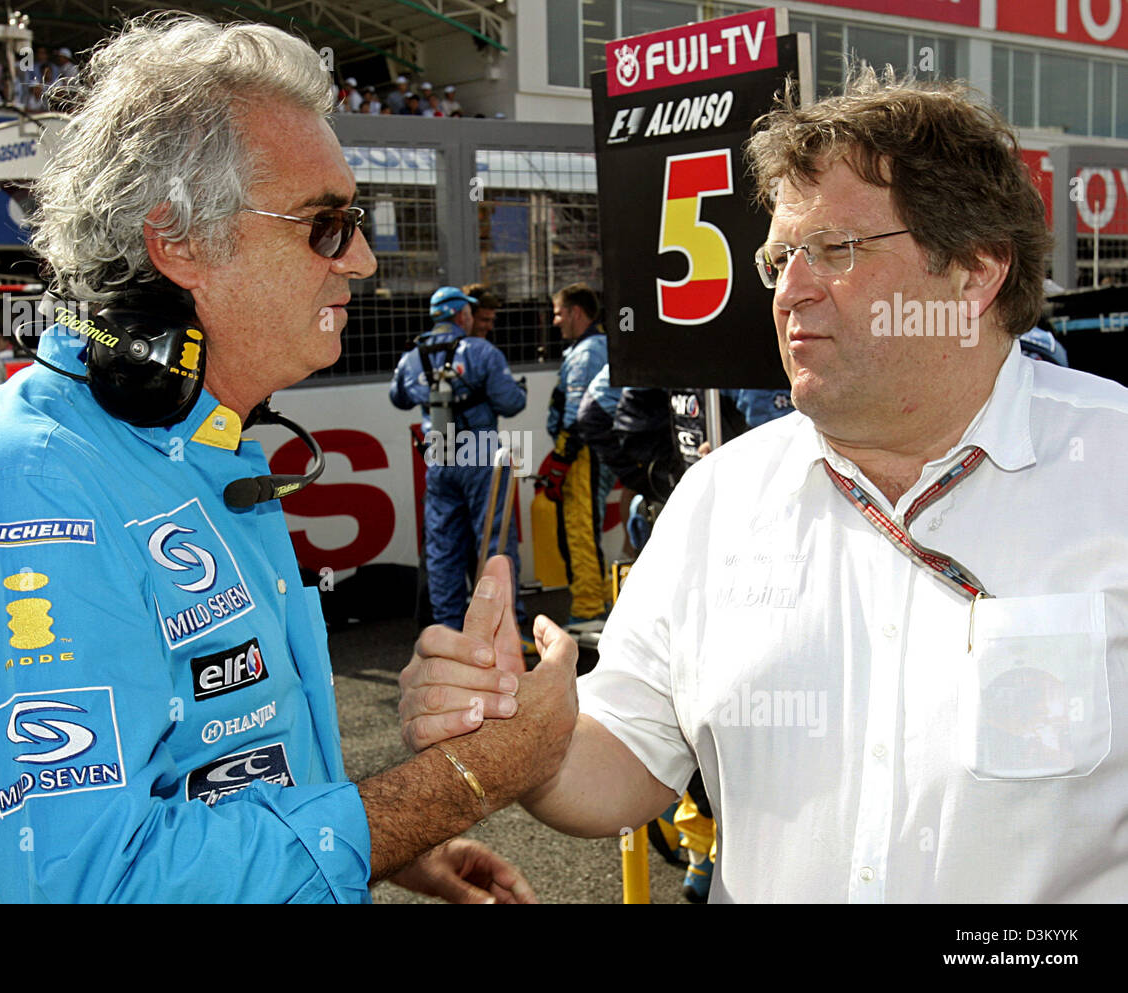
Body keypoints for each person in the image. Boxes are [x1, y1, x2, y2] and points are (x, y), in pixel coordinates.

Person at [0, 13, 577, 905]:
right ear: (180, 242)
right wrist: (469, 779)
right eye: (325, 223)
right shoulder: (10, 495)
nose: (361, 259)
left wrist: (386, 846)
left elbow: (222, 773)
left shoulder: (203, 448)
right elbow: (97, 886)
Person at [400, 68, 1128, 902]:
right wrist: (526, 731)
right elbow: (627, 761)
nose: (790, 290)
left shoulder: (1113, 467)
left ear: (974, 270)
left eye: (837, 250)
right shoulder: (721, 497)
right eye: (781, 256)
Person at [389, 286, 528, 634]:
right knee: (495, 542)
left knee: (442, 546)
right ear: (462, 315)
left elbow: (399, 398)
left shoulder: (412, 356)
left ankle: (447, 631)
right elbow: (511, 403)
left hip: (438, 457)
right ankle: (503, 628)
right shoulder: (481, 351)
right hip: (481, 454)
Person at [543, 282, 609, 634]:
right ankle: (593, 602)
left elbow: (577, 414)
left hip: (583, 453)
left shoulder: (586, 353)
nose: (555, 321)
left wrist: (561, 458)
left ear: (576, 312)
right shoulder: (589, 348)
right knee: (582, 529)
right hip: (585, 451)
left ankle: (588, 609)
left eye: (558, 313)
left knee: (581, 530)